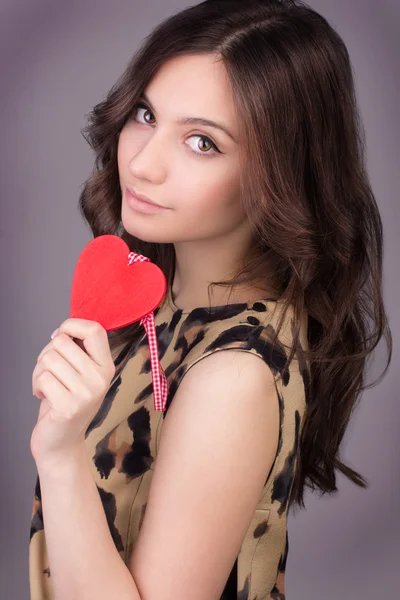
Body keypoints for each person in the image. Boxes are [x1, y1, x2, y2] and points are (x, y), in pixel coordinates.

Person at [29, 0, 392, 598]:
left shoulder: (233, 374)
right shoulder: (166, 309)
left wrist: (62, 456)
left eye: (202, 143)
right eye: (146, 114)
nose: (142, 163)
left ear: (279, 173)